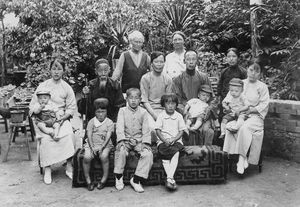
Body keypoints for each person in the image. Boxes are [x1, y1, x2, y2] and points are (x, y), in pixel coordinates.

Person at [29, 58, 76, 184]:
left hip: (60, 116)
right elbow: (32, 106)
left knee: (69, 134)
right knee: (45, 138)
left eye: (59, 69)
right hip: (43, 118)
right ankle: (48, 169)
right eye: (54, 68)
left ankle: (69, 167)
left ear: (63, 71)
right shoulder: (43, 86)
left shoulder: (66, 87)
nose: (56, 72)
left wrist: (63, 117)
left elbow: (71, 108)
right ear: (50, 70)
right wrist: (38, 110)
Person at [223, 62, 270, 175]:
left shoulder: (262, 87)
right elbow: (228, 98)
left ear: (260, 73)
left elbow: (264, 104)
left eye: (256, 71)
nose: (253, 73)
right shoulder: (240, 83)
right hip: (239, 115)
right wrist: (229, 107)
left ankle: (241, 158)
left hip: (255, 116)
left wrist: (250, 111)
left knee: (244, 128)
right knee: (231, 127)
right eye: (251, 70)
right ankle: (230, 158)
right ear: (247, 70)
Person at [114, 88, 153, 193]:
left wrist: (145, 142)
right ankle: (118, 176)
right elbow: (119, 127)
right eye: (131, 98)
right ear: (126, 99)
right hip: (125, 140)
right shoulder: (122, 111)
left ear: (140, 99)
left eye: (136, 98)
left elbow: (146, 129)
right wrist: (121, 140)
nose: (133, 100)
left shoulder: (144, 112)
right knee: (120, 151)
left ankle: (136, 180)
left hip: (139, 140)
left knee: (148, 154)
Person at [172, 50, 216, 145]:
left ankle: (206, 154)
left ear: (197, 61)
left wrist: (207, 110)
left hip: (202, 112)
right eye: (188, 59)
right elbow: (177, 100)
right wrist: (185, 111)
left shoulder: (203, 77)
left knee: (207, 130)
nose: (191, 62)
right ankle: (187, 155)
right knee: (185, 128)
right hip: (186, 111)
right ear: (184, 61)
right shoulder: (178, 79)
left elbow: (211, 98)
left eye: (193, 59)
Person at [155, 93, 186, 190]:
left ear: (176, 105)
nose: (171, 106)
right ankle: (171, 179)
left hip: (176, 141)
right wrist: (164, 140)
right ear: (164, 105)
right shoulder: (161, 116)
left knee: (175, 152)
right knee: (165, 156)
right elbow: (157, 130)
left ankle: (169, 178)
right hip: (163, 141)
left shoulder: (179, 116)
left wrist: (174, 139)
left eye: (173, 104)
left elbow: (181, 131)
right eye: (168, 104)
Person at [82, 98, 114, 191]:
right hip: (92, 144)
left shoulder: (109, 122)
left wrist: (102, 147)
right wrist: (92, 147)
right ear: (95, 112)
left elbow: (108, 136)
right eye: (98, 112)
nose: (100, 114)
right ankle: (88, 181)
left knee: (104, 156)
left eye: (103, 111)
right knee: (87, 157)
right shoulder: (91, 121)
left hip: (105, 144)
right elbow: (89, 135)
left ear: (107, 111)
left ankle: (103, 179)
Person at [140, 51, 172, 136]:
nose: (159, 64)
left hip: (164, 109)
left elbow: (169, 100)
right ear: (151, 63)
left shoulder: (168, 79)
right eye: (156, 62)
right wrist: (154, 115)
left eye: (161, 62)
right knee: (153, 129)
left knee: (168, 128)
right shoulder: (145, 78)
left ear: (164, 63)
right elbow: (144, 100)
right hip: (149, 110)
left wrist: (164, 114)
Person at [217, 48, 247, 119]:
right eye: (229, 56)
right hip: (225, 100)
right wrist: (219, 98)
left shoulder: (242, 72)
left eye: (234, 56)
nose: (231, 59)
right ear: (226, 58)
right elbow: (220, 85)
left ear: (238, 58)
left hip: (237, 100)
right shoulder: (224, 71)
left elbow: (245, 87)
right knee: (223, 118)